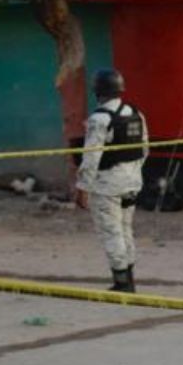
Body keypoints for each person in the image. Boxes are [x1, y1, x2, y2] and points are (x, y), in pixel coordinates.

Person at [74, 67, 148, 292]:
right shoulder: (136, 113)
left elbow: (91, 157)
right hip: (132, 181)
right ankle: (129, 280)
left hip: (107, 186)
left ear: (97, 91)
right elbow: (144, 149)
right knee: (126, 229)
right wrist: (132, 172)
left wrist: (82, 188)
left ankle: (122, 284)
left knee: (111, 232)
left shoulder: (99, 119)